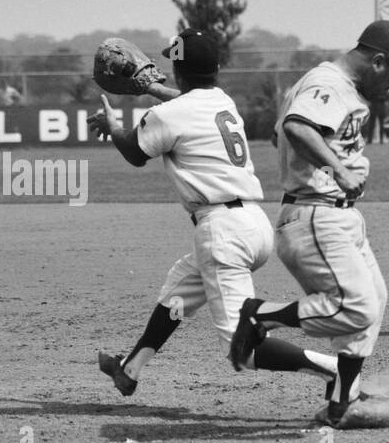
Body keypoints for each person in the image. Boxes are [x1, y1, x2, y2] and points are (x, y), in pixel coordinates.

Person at [86, 30, 338, 401]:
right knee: (179, 291)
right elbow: (187, 104)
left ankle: (336, 370)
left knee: (243, 350)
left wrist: (114, 127)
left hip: (223, 234)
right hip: (253, 225)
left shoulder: (168, 114)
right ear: (216, 68)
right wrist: (154, 90)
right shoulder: (222, 101)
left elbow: (136, 152)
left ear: (177, 68)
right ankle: (131, 368)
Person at [227, 20, 389, 422]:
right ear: (379, 61)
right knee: (357, 307)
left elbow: (290, 131)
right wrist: (338, 170)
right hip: (315, 215)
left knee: (374, 301)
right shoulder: (328, 84)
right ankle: (260, 315)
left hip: (337, 216)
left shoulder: (336, 88)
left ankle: (342, 401)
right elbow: (296, 128)